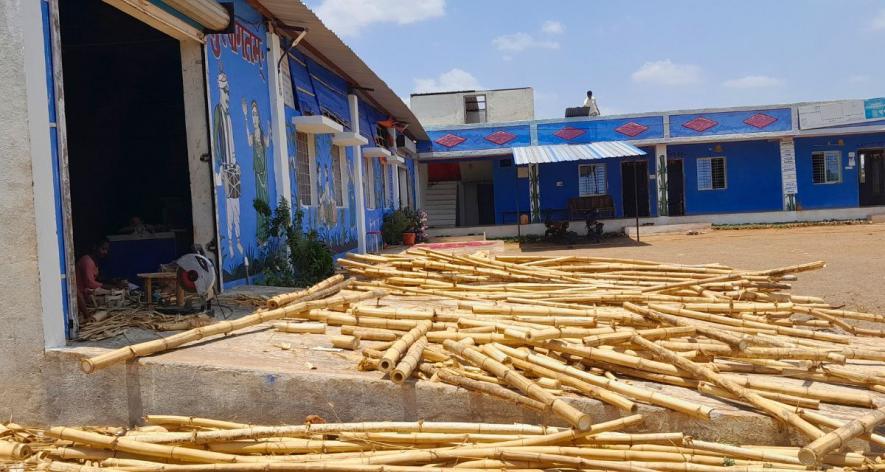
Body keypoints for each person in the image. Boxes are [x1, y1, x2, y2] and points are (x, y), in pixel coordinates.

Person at [75, 238, 121, 318]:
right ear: (95, 247)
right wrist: (109, 287)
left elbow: (96, 277)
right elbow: (90, 282)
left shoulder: (95, 260)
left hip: (87, 293)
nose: (105, 252)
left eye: (107, 250)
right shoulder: (87, 261)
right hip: (80, 295)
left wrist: (111, 281)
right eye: (103, 249)